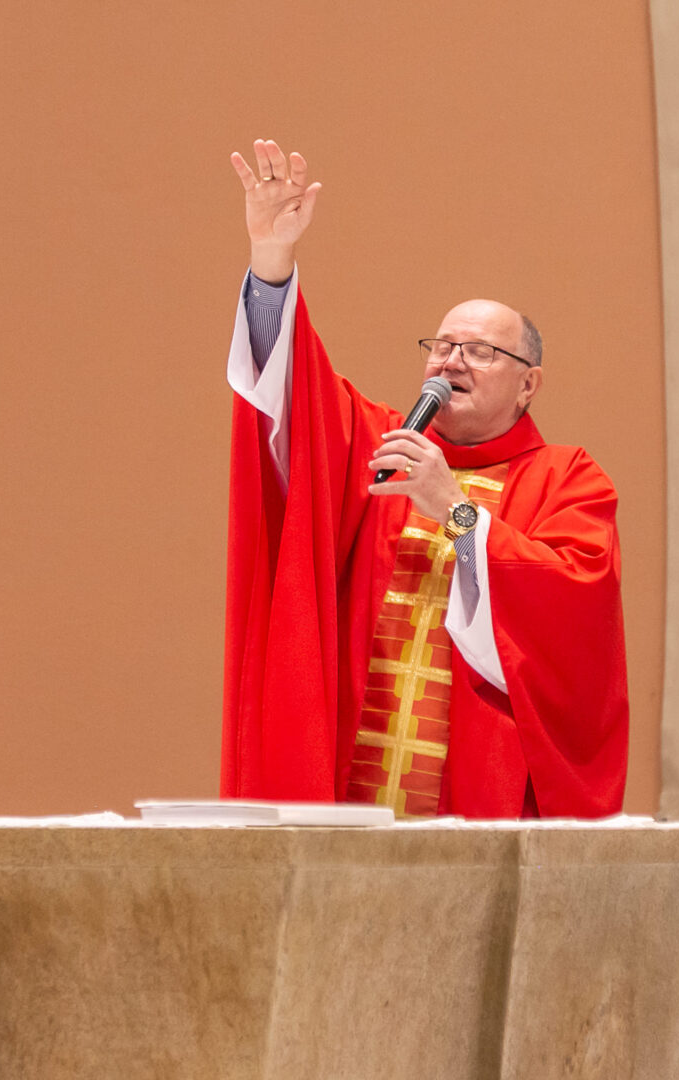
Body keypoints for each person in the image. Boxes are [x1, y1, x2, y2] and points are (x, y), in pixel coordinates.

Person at [221, 139, 629, 819]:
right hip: (355, 794)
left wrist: (456, 511)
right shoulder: (377, 448)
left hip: (478, 804)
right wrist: (272, 263)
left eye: (479, 351)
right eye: (441, 346)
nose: (451, 361)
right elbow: (287, 393)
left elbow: (574, 626)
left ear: (528, 384)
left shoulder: (569, 480)